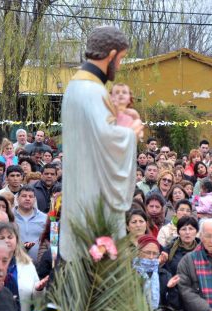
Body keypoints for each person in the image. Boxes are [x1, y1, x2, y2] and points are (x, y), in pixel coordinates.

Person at [60, 26, 143, 259]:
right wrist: (131, 132)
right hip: (92, 193)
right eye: (121, 59)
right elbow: (107, 138)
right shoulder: (93, 91)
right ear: (111, 55)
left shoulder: (76, 86)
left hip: (82, 185)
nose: (120, 65)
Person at [0, 222, 47, 311]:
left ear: (16, 240)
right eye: (2, 238)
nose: (6, 241)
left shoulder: (27, 264)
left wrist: (39, 290)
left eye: (10, 237)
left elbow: (38, 302)